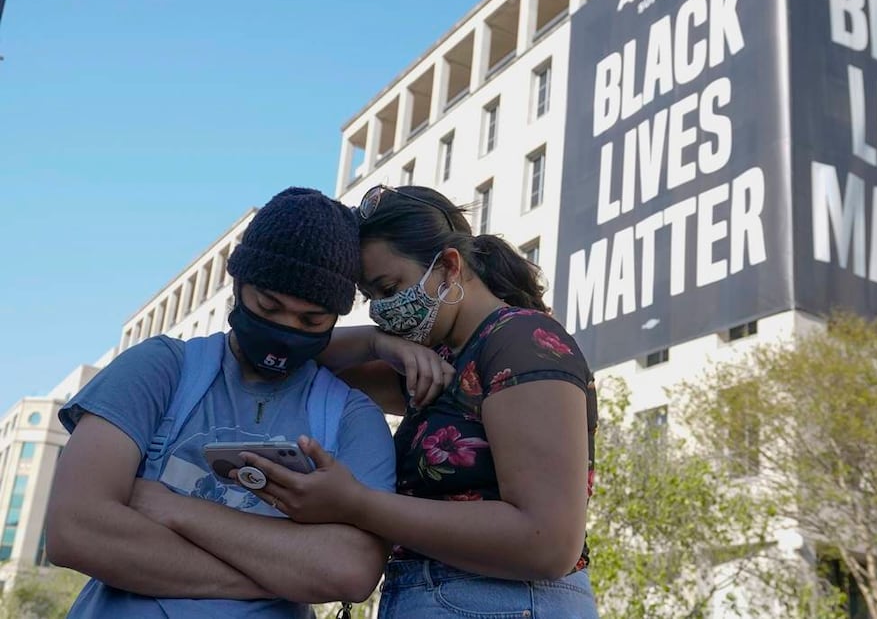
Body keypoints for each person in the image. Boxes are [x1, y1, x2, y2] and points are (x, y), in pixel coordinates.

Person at [45, 187, 448, 618]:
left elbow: (349, 570)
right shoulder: (160, 369)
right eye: (268, 305)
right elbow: (75, 530)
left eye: (311, 320)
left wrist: (173, 509)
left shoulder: (351, 416)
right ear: (237, 284)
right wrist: (281, 573)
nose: (285, 329)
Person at [236, 184, 600, 618]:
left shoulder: (519, 341)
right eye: (370, 299)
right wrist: (377, 343)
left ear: (449, 266)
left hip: (504, 602)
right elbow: (297, 354)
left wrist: (356, 504)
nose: (381, 310)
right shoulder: (439, 360)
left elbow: (548, 541)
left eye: (389, 288)